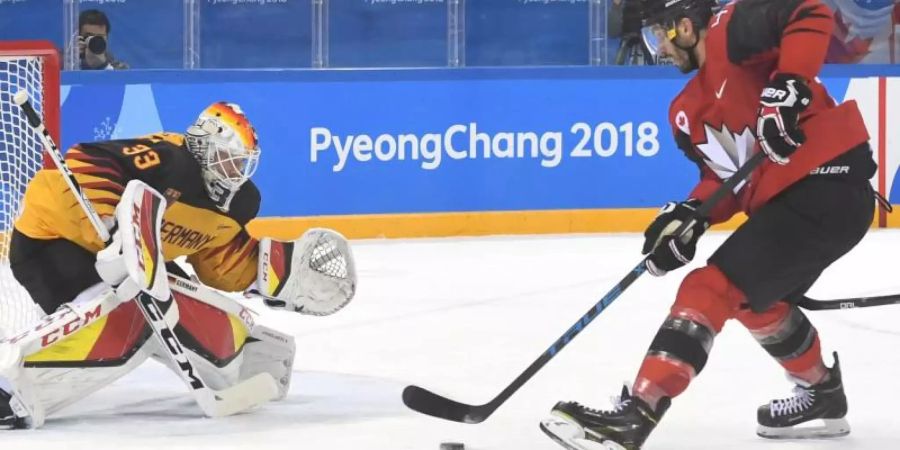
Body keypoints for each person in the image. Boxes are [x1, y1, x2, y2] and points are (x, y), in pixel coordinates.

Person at [540, 0, 879, 448]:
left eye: (657, 34)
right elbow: (725, 179)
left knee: (709, 288)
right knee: (755, 301)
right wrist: (690, 217)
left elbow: (810, 12)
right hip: (795, 205)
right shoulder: (686, 110)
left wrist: (790, 86)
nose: (657, 48)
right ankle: (822, 393)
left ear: (684, 25)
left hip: (830, 184)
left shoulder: (727, 30)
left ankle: (638, 413)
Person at [0, 102, 356, 428]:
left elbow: (218, 261)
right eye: (227, 158)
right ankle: (9, 382)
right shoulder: (167, 158)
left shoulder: (237, 202)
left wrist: (276, 273)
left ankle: (240, 357)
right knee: (123, 314)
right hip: (52, 240)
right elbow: (87, 159)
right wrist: (110, 219)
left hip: (133, 259)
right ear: (203, 147)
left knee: (178, 302)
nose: (235, 170)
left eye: (241, 161)